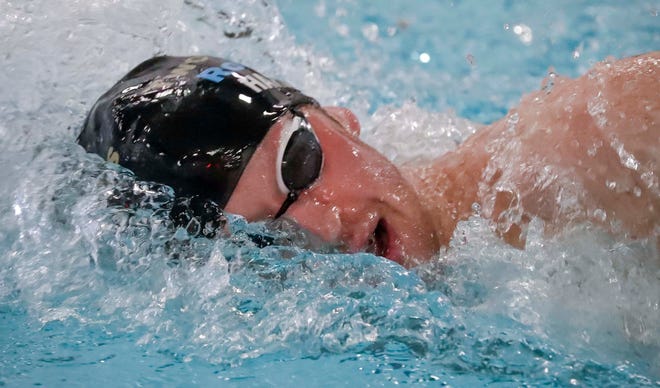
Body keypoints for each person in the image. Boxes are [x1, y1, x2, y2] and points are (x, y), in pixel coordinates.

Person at [78, 52, 659, 267]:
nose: (323, 225)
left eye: (299, 164)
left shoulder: (598, 139)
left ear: (338, 117)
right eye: (263, 236)